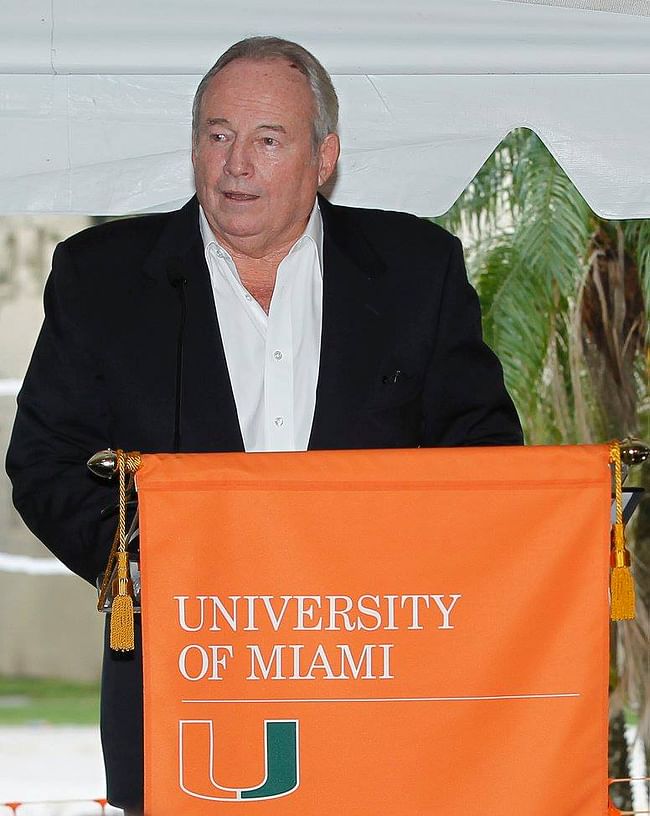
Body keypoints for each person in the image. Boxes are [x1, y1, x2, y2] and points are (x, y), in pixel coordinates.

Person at [5, 36, 523, 813]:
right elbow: (45, 461)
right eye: (217, 136)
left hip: (377, 678)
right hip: (185, 685)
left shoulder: (420, 269)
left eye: (267, 140)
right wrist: (144, 564)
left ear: (324, 158)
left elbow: (483, 459)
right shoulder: (101, 277)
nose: (235, 165)